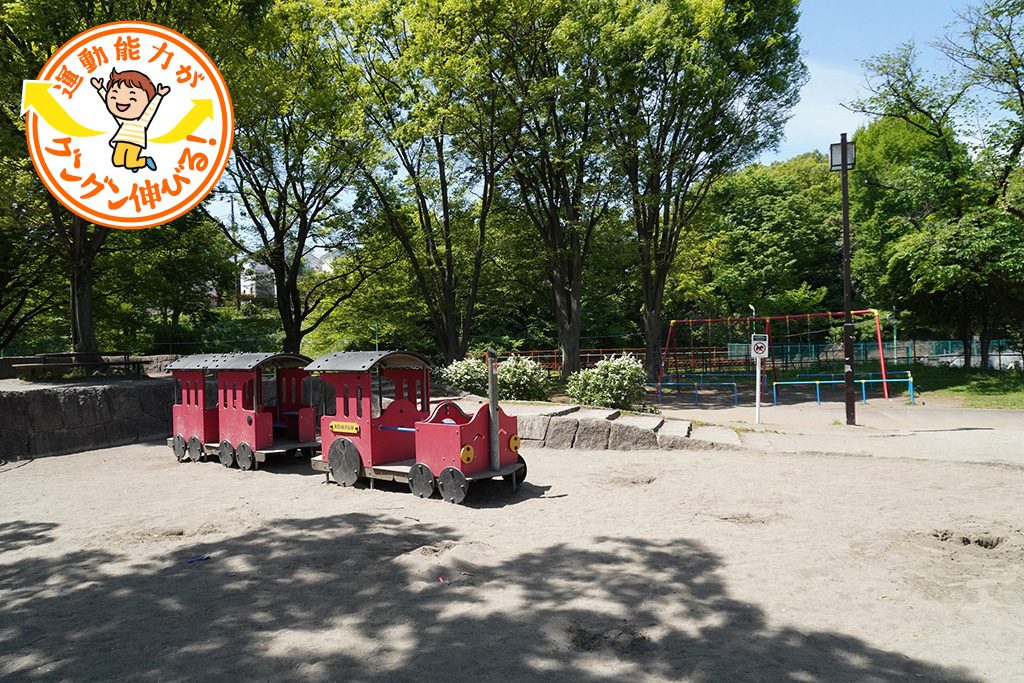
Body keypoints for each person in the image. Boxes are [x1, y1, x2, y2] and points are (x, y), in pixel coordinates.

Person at [90, 68, 169, 172]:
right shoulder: (122, 120)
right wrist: (100, 88)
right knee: (117, 161)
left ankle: (145, 161)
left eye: (132, 95)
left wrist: (159, 95)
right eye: (115, 92)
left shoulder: (142, 121)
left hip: (135, 142)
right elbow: (108, 101)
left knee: (130, 162)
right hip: (121, 140)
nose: (122, 99)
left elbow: (151, 108)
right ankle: (135, 164)